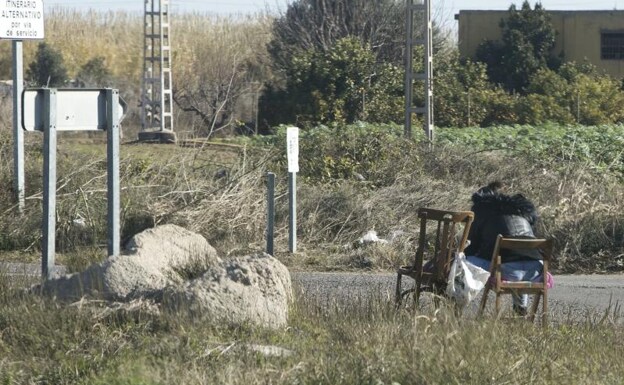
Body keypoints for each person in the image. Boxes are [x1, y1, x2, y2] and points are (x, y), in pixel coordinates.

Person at [464, 181, 545, 316]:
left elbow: (472, 247)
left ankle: (457, 304)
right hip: (537, 271)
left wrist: (461, 255)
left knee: (464, 260)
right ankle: (521, 307)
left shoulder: (482, 212)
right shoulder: (522, 212)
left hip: (507, 272)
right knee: (516, 257)